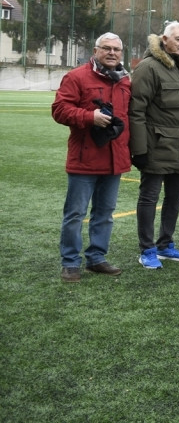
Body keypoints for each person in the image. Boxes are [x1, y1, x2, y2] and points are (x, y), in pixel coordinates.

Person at [52, 32, 131, 282]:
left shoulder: (125, 80)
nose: (112, 53)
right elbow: (59, 110)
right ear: (95, 50)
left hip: (113, 159)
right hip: (84, 159)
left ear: (121, 52)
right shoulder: (76, 77)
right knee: (75, 214)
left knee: (105, 213)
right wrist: (89, 117)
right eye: (106, 48)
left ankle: (97, 258)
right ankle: (70, 262)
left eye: (116, 49)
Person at [129, 21, 179, 269]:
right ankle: (147, 249)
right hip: (156, 148)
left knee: (175, 198)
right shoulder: (148, 68)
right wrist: (139, 150)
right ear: (164, 39)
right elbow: (135, 110)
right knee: (149, 198)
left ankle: (165, 245)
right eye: (178, 39)